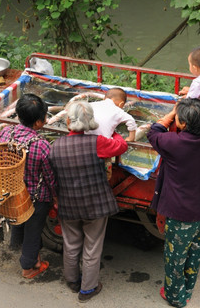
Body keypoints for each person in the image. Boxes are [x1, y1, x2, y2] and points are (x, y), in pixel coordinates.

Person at [49, 100, 128, 303]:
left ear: (68, 121)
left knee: (71, 243)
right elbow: (122, 146)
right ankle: (87, 289)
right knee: (92, 248)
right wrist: (114, 132)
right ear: (90, 121)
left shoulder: (55, 146)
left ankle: (72, 280)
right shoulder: (99, 142)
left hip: (68, 205)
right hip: (96, 205)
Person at [146, 98, 200, 308]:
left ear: (182, 124)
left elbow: (154, 132)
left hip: (183, 213)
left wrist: (172, 112)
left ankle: (175, 297)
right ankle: (187, 289)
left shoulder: (174, 143)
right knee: (196, 253)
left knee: (175, 258)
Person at [0, 93, 56, 279]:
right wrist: (56, 198)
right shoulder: (42, 146)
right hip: (36, 198)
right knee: (33, 230)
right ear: (39, 122)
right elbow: (50, 178)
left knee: (19, 220)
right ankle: (28, 267)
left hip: (12, 191)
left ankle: (21, 247)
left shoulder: (6, 132)